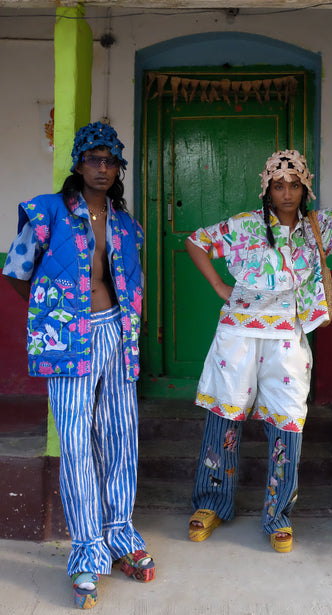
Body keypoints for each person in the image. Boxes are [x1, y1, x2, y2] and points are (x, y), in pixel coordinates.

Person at [185, 130, 332, 553]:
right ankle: (212, 502)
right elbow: (196, 241)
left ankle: (278, 514)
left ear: (305, 188)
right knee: (224, 419)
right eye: (278, 184)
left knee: (288, 422)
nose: (286, 192)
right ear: (266, 188)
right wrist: (218, 285)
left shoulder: (317, 226)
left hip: (288, 336)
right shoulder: (245, 226)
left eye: (294, 184)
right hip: (238, 334)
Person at [2, 121, 154, 609]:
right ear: (78, 163)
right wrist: (55, 315)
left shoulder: (127, 225)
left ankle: (120, 535)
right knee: (75, 440)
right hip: (70, 337)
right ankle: (87, 551)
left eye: (111, 161)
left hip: (115, 334)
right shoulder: (47, 213)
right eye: (94, 159)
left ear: (119, 168)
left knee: (119, 436)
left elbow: (135, 286)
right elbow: (18, 272)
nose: (103, 168)